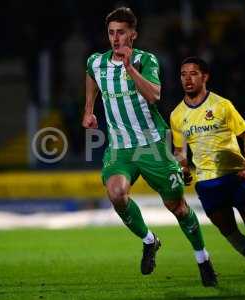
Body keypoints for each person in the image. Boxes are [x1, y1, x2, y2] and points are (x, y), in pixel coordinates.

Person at [81, 8, 217, 286]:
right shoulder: (96, 62)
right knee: (116, 194)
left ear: (133, 34)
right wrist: (88, 109)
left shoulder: (146, 60)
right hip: (120, 148)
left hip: (153, 145)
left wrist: (129, 68)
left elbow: (154, 95)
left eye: (121, 32)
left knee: (177, 206)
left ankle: (203, 258)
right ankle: (149, 240)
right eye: (111, 33)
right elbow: (91, 76)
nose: (115, 38)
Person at [170, 56, 245, 281]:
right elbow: (179, 151)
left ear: (205, 77)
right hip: (206, 183)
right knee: (230, 233)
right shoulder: (177, 115)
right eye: (183, 74)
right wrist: (183, 167)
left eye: (193, 73)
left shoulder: (222, 105)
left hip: (235, 177)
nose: (187, 78)